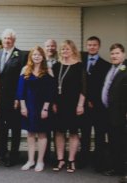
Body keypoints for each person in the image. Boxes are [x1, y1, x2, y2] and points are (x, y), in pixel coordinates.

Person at [17, 46, 55, 172]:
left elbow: (50, 92)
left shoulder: (47, 70)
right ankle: (30, 160)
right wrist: (23, 107)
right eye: (34, 54)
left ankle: (40, 161)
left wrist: (45, 109)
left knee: (42, 134)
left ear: (43, 56)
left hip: (42, 106)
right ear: (31, 56)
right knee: (30, 133)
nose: (36, 56)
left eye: (39, 54)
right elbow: (20, 90)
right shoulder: (25, 69)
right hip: (29, 106)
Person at [0, 29, 26, 167]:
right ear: (2, 39)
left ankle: (13, 155)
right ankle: (2, 153)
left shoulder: (21, 56)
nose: (7, 40)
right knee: (2, 128)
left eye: (10, 38)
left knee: (15, 128)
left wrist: (18, 98)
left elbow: (21, 80)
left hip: (14, 99)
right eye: (5, 38)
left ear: (14, 40)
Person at [52, 40, 86, 173]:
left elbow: (84, 88)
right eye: (62, 49)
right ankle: (60, 159)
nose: (64, 51)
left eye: (67, 49)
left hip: (73, 104)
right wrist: (54, 102)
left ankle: (71, 160)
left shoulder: (79, 66)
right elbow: (53, 87)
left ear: (73, 50)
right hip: (59, 104)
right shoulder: (56, 65)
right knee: (59, 132)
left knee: (73, 133)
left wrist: (80, 104)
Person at [78, 36, 111, 170]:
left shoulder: (106, 65)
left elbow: (105, 87)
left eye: (94, 45)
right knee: (84, 134)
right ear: (87, 46)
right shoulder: (80, 63)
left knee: (99, 135)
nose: (92, 47)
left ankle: (99, 162)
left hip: (98, 108)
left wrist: (94, 102)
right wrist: (85, 101)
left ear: (99, 46)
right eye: (89, 45)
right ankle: (84, 160)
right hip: (84, 106)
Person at [101, 44, 127, 179]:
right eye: (112, 54)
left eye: (117, 53)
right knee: (113, 142)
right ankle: (115, 167)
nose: (114, 56)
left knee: (122, 143)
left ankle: (123, 171)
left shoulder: (125, 69)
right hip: (109, 113)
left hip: (121, 114)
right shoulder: (111, 69)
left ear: (123, 54)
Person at [43, 39, 58, 164]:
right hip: (44, 101)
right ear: (44, 47)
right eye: (48, 46)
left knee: (57, 130)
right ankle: (46, 156)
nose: (50, 48)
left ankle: (59, 157)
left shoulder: (60, 61)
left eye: (52, 46)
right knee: (46, 129)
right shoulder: (41, 62)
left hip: (57, 100)